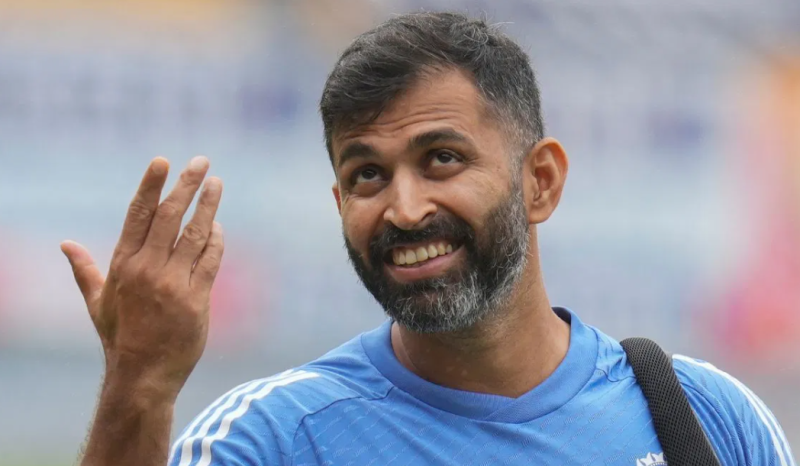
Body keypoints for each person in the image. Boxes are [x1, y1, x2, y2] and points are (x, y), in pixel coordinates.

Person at [62, 11, 795, 466]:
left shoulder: (708, 419)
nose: (405, 210)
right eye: (367, 175)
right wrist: (139, 382)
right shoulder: (272, 441)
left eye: (441, 159)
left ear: (540, 182)